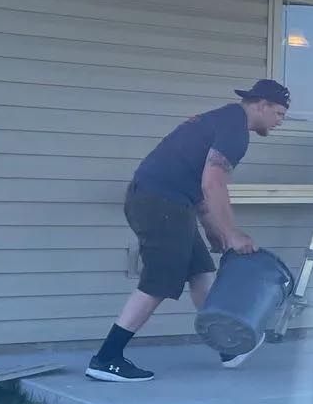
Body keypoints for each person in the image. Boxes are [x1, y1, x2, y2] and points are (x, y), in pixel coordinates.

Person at [85, 79, 291, 382]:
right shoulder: (235, 129)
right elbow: (213, 183)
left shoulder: (224, 119)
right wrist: (232, 233)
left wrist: (213, 229)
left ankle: (228, 348)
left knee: (201, 272)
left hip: (166, 201)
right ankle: (107, 358)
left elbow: (197, 185)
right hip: (161, 203)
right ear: (262, 105)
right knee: (159, 281)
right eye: (279, 114)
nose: (279, 122)